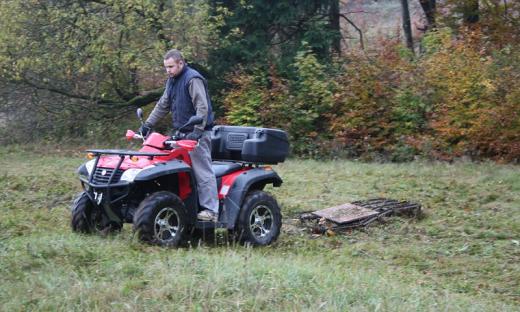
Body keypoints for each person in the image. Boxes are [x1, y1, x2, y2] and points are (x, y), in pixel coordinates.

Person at [140, 49, 219, 222]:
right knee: (171, 167)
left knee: (202, 170)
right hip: (181, 133)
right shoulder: (172, 81)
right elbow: (163, 105)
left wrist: (197, 132)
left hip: (198, 134)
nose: (168, 70)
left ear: (181, 63)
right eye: (166, 67)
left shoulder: (193, 79)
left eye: (171, 67)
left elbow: (202, 107)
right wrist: (148, 124)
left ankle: (210, 210)